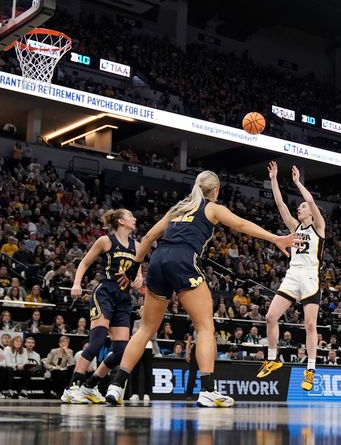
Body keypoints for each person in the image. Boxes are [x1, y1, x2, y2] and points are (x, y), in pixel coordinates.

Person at [105, 170, 297, 407]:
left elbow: (149, 237)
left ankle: (116, 385)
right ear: (215, 191)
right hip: (182, 260)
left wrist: (135, 268)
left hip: (157, 260)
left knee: (145, 328)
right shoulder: (212, 207)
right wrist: (275, 238)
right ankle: (208, 390)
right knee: (205, 326)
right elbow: (240, 224)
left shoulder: (179, 207)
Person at [61, 208, 143, 404]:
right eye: (131, 216)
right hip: (105, 292)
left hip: (123, 298)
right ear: (121, 221)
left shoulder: (137, 245)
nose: (135, 219)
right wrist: (76, 283)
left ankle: (90, 385)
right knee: (96, 343)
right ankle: (71, 387)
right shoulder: (106, 241)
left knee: (122, 351)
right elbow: (84, 263)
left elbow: (138, 272)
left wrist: (139, 279)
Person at [258, 163, 325, 392]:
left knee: (309, 325)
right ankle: (273, 357)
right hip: (293, 274)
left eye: (303, 206)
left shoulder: (319, 228)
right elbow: (279, 204)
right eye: (300, 206)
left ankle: (311, 368)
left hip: (310, 277)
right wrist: (274, 179)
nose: (300, 208)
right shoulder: (294, 226)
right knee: (269, 317)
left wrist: (297, 183)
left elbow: (313, 203)